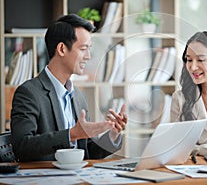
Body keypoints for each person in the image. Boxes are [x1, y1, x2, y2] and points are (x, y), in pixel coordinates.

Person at [10, 14, 127, 162]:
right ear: (61, 49)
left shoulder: (78, 96)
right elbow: (22, 147)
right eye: (83, 49)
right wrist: (72, 134)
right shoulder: (28, 93)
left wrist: (113, 133)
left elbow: (87, 151)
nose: (88, 56)